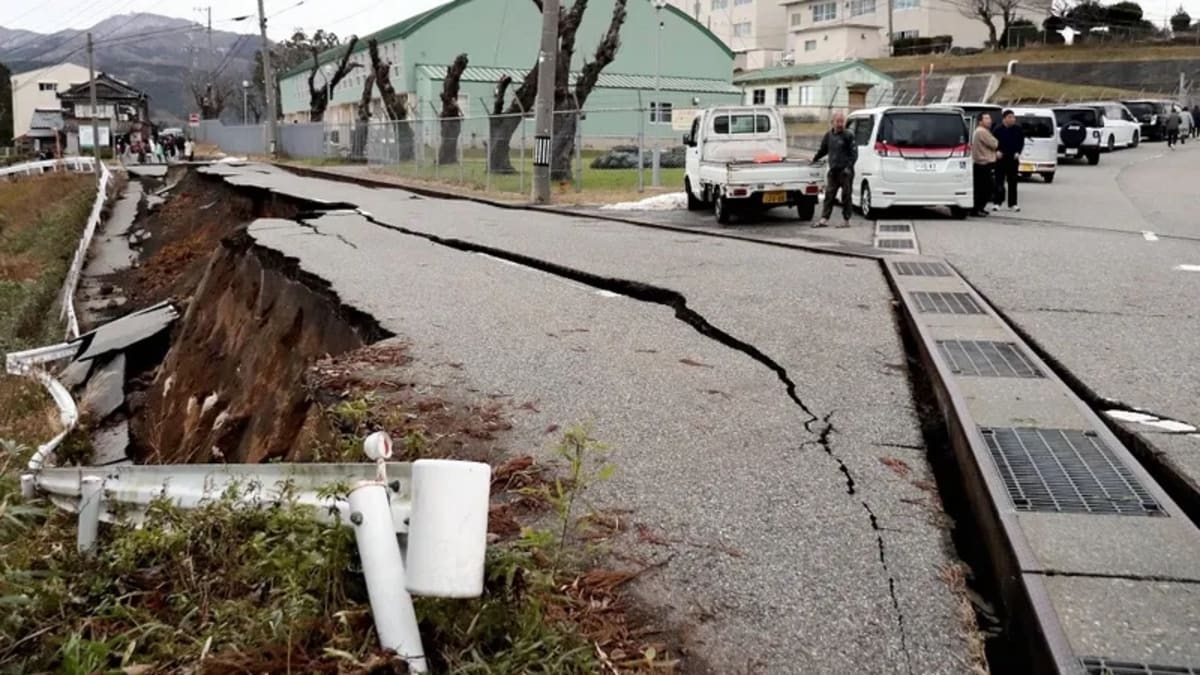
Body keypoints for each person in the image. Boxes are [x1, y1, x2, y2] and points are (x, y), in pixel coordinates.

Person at [811, 112, 857, 228]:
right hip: (833, 171)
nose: (840, 124)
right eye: (838, 121)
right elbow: (823, 150)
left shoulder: (848, 136)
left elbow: (854, 154)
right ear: (833, 122)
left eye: (842, 121)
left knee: (846, 196)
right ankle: (824, 219)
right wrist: (814, 159)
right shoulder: (828, 136)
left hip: (845, 171)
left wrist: (848, 167)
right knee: (829, 195)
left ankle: (846, 220)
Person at [992, 110, 1025, 212]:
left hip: (1013, 159)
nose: (1012, 119)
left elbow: (1021, 142)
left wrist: (1018, 152)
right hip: (1001, 159)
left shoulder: (1018, 129)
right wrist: (996, 151)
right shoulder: (997, 130)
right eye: (1010, 117)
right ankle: (997, 202)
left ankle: (1013, 204)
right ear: (1004, 118)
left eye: (1013, 117)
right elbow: (993, 143)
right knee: (999, 182)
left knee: (1013, 182)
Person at [970, 113, 998, 217]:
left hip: (981, 164)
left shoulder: (982, 131)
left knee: (982, 188)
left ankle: (979, 208)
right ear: (980, 121)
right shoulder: (982, 131)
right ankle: (977, 208)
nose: (989, 120)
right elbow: (995, 144)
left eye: (989, 118)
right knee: (985, 188)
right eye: (986, 118)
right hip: (983, 164)